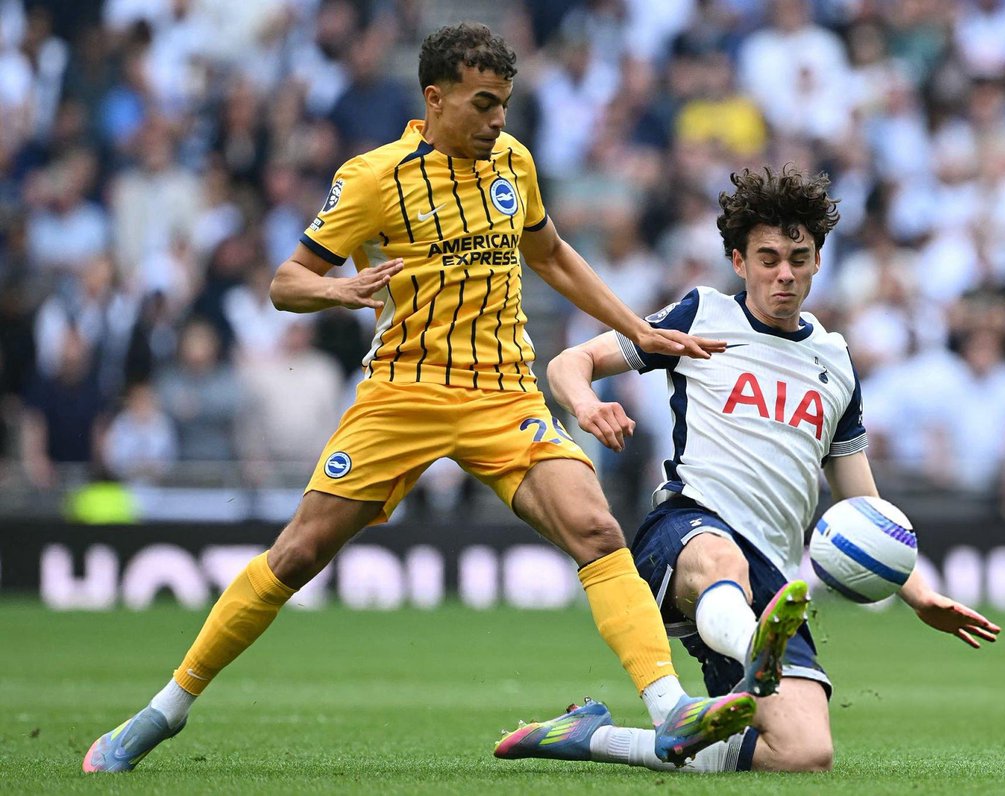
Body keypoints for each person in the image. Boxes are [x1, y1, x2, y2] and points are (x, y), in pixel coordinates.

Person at [82, 22, 755, 774]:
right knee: (299, 553)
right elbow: (285, 282)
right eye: (484, 104)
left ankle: (668, 711)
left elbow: (551, 254)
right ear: (436, 99)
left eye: (504, 104)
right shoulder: (374, 178)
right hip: (404, 392)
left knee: (596, 528)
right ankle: (163, 710)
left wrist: (638, 329)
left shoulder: (514, 163)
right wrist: (340, 288)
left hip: (503, 392)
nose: (499, 120)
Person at [494, 166, 1001, 772]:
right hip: (687, 532)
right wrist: (586, 404)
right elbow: (569, 362)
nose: (783, 273)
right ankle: (753, 644)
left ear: (817, 262)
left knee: (804, 753)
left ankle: (594, 737)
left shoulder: (835, 361)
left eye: (798, 257)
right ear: (738, 261)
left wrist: (918, 594)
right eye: (767, 258)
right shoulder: (700, 316)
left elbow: (863, 507)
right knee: (721, 558)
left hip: (773, 581)